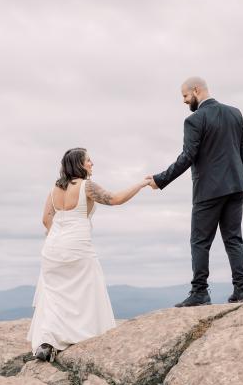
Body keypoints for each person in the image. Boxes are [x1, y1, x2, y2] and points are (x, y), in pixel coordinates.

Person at [27, 147, 151, 361]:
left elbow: (46, 221)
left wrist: (59, 238)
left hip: (52, 248)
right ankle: (86, 338)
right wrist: (141, 183)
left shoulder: (55, 189)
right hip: (78, 246)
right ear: (79, 165)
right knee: (88, 288)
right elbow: (115, 199)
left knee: (56, 296)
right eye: (88, 160)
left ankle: (48, 342)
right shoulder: (86, 186)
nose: (92, 163)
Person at [147, 77, 243, 307]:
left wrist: (160, 179)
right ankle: (242, 290)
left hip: (209, 190)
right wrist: (242, 180)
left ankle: (200, 292)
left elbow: (187, 157)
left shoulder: (195, 120)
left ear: (196, 90)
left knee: (199, 241)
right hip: (236, 186)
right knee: (234, 239)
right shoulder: (235, 113)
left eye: (185, 96)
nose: (185, 101)